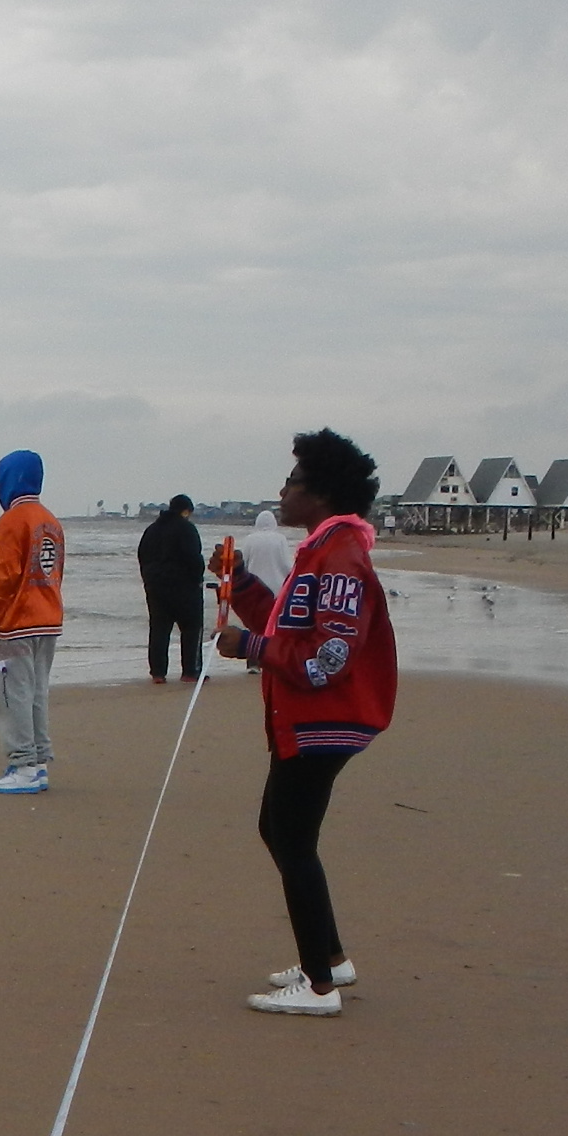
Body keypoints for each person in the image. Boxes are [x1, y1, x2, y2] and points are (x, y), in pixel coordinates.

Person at [216, 430, 394, 1016]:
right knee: (279, 830)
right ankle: (329, 958)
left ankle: (319, 986)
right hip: (307, 719)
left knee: (291, 839)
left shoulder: (340, 556)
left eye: (291, 481)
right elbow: (284, 624)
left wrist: (250, 648)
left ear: (318, 492)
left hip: (324, 720)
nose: (282, 491)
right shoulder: (321, 550)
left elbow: (328, 658)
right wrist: (241, 584)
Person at [0, 448, 65, 794]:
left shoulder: (12, 522)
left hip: (18, 623)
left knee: (12, 696)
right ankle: (37, 763)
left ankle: (23, 765)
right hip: (48, 619)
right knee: (36, 693)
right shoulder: (51, 521)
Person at [136, 494, 207, 684]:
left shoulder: (151, 530)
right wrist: (198, 579)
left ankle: (158, 672)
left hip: (155, 587)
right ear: (186, 511)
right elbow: (194, 558)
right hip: (184, 587)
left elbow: (142, 556)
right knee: (192, 628)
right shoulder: (186, 529)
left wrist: (148, 579)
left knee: (159, 629)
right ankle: (191, 671)